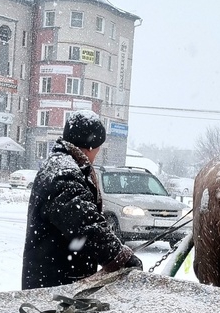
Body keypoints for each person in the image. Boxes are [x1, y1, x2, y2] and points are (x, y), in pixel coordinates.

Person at [21, 111, 143, 289]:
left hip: (53, 278)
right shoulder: (65, 174)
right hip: (56, 285)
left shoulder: (61, 165)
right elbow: (86, 225)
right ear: (92, 146)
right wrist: (120, 257)